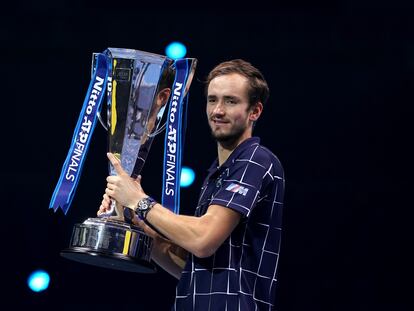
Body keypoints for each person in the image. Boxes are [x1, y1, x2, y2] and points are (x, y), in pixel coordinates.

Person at [98, 59, 285, 310]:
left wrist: (139, 201)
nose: (217, 110)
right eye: (212, 100)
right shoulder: (217, 175)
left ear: (255, 111)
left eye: (231, 101)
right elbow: (190, 266)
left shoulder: (256, 160)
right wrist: (135, 221)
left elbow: (203, 239)